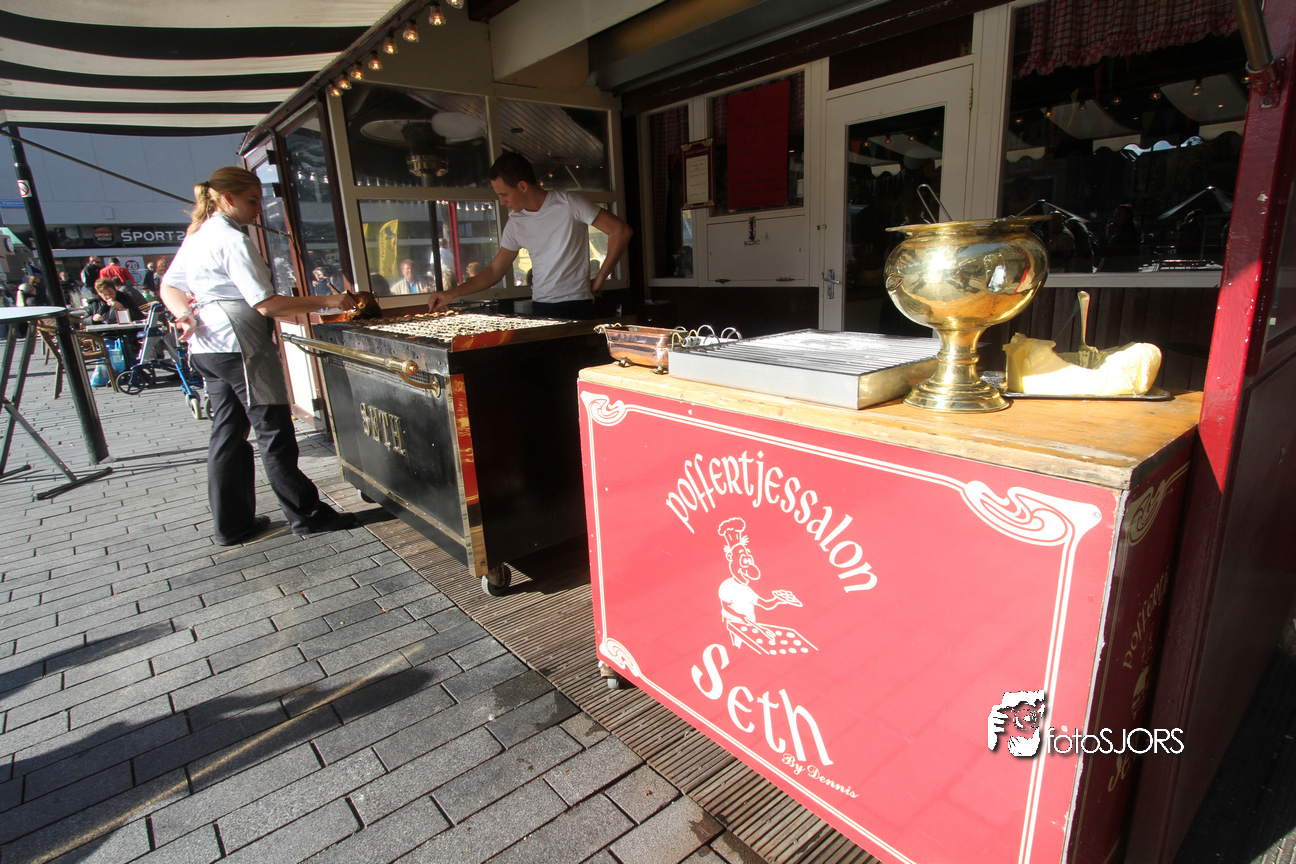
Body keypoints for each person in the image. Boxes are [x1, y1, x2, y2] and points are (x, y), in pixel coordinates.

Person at [159, 166, 359, 547]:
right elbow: (267, 304)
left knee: (227, 434)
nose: (258, 210)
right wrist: (329, 300)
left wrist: (184, 314)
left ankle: (231, 524)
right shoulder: (232, 239)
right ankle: (307, 515)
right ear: (227, 199)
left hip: (207, 346)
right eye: (252, 201)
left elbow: (169, 286)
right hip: (240, 345)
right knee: (274, 432)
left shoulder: (198, 235)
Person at [428, 152, 632, 320]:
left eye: (504, 194)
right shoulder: (516, 223)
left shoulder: (568, 203)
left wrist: (601, 278)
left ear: (523, 186)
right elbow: (494, 271)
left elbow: (621, 231)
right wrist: (450, 294)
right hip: (541, 307)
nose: (502, 202)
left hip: (577, 305)